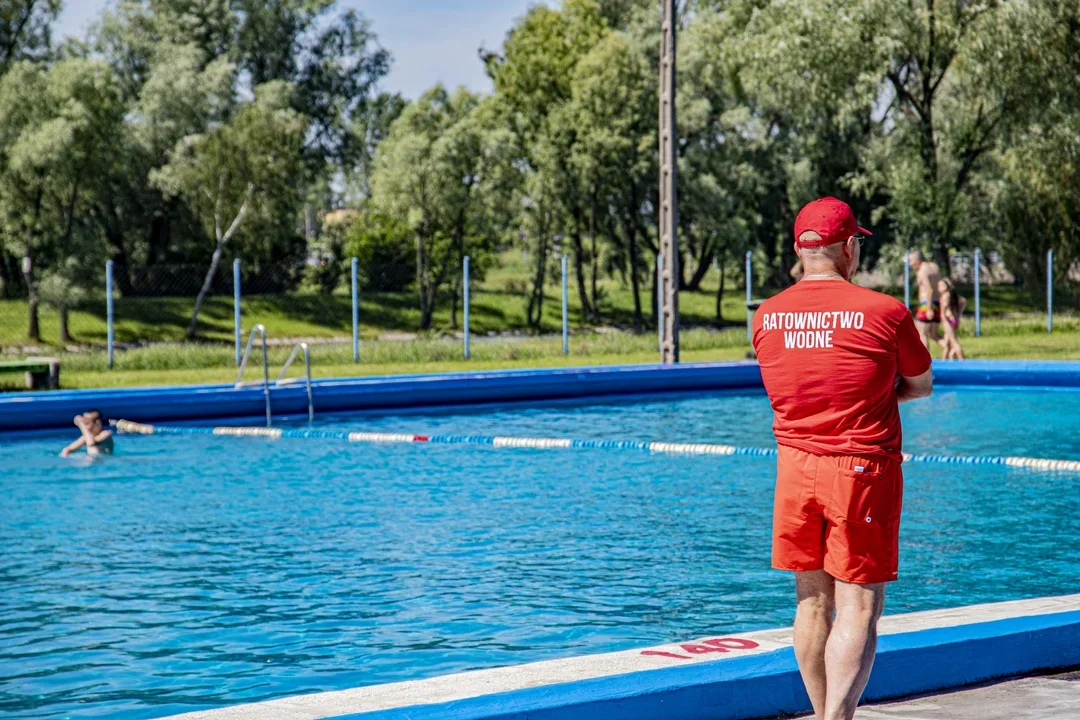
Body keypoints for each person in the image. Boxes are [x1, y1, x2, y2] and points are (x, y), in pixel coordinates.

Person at [752, 197, 933, 720]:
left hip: (794, 468)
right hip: (860, 471)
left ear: (799, 249)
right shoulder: (885, 312)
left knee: (810, 603)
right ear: (850, 247)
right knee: (857, 606)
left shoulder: (766, 317)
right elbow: (919, 386)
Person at [907, 250, 942, 352]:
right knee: (934, 335)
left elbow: (929, 290)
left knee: (921, 333)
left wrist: (929, 309)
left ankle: (925, 363)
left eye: (911, 261)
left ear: (917, 260)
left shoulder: (922, 271)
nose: (910, 264)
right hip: (937, 303)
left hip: (927, 304)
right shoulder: (934, 267)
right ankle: (949, 348)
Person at [937, 278, 966, 360]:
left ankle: (962, 360)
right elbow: (963, 301)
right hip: (952, 319)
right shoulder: (951, 295)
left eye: (942, 285)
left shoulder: (945, 296)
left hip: (947, 320)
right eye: (939, 286)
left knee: (953, 341)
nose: (940, 287)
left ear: (947, 286)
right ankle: (944, 360)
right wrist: (958, 314)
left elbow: (946, 310)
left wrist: (947, 317)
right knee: (947, 344)